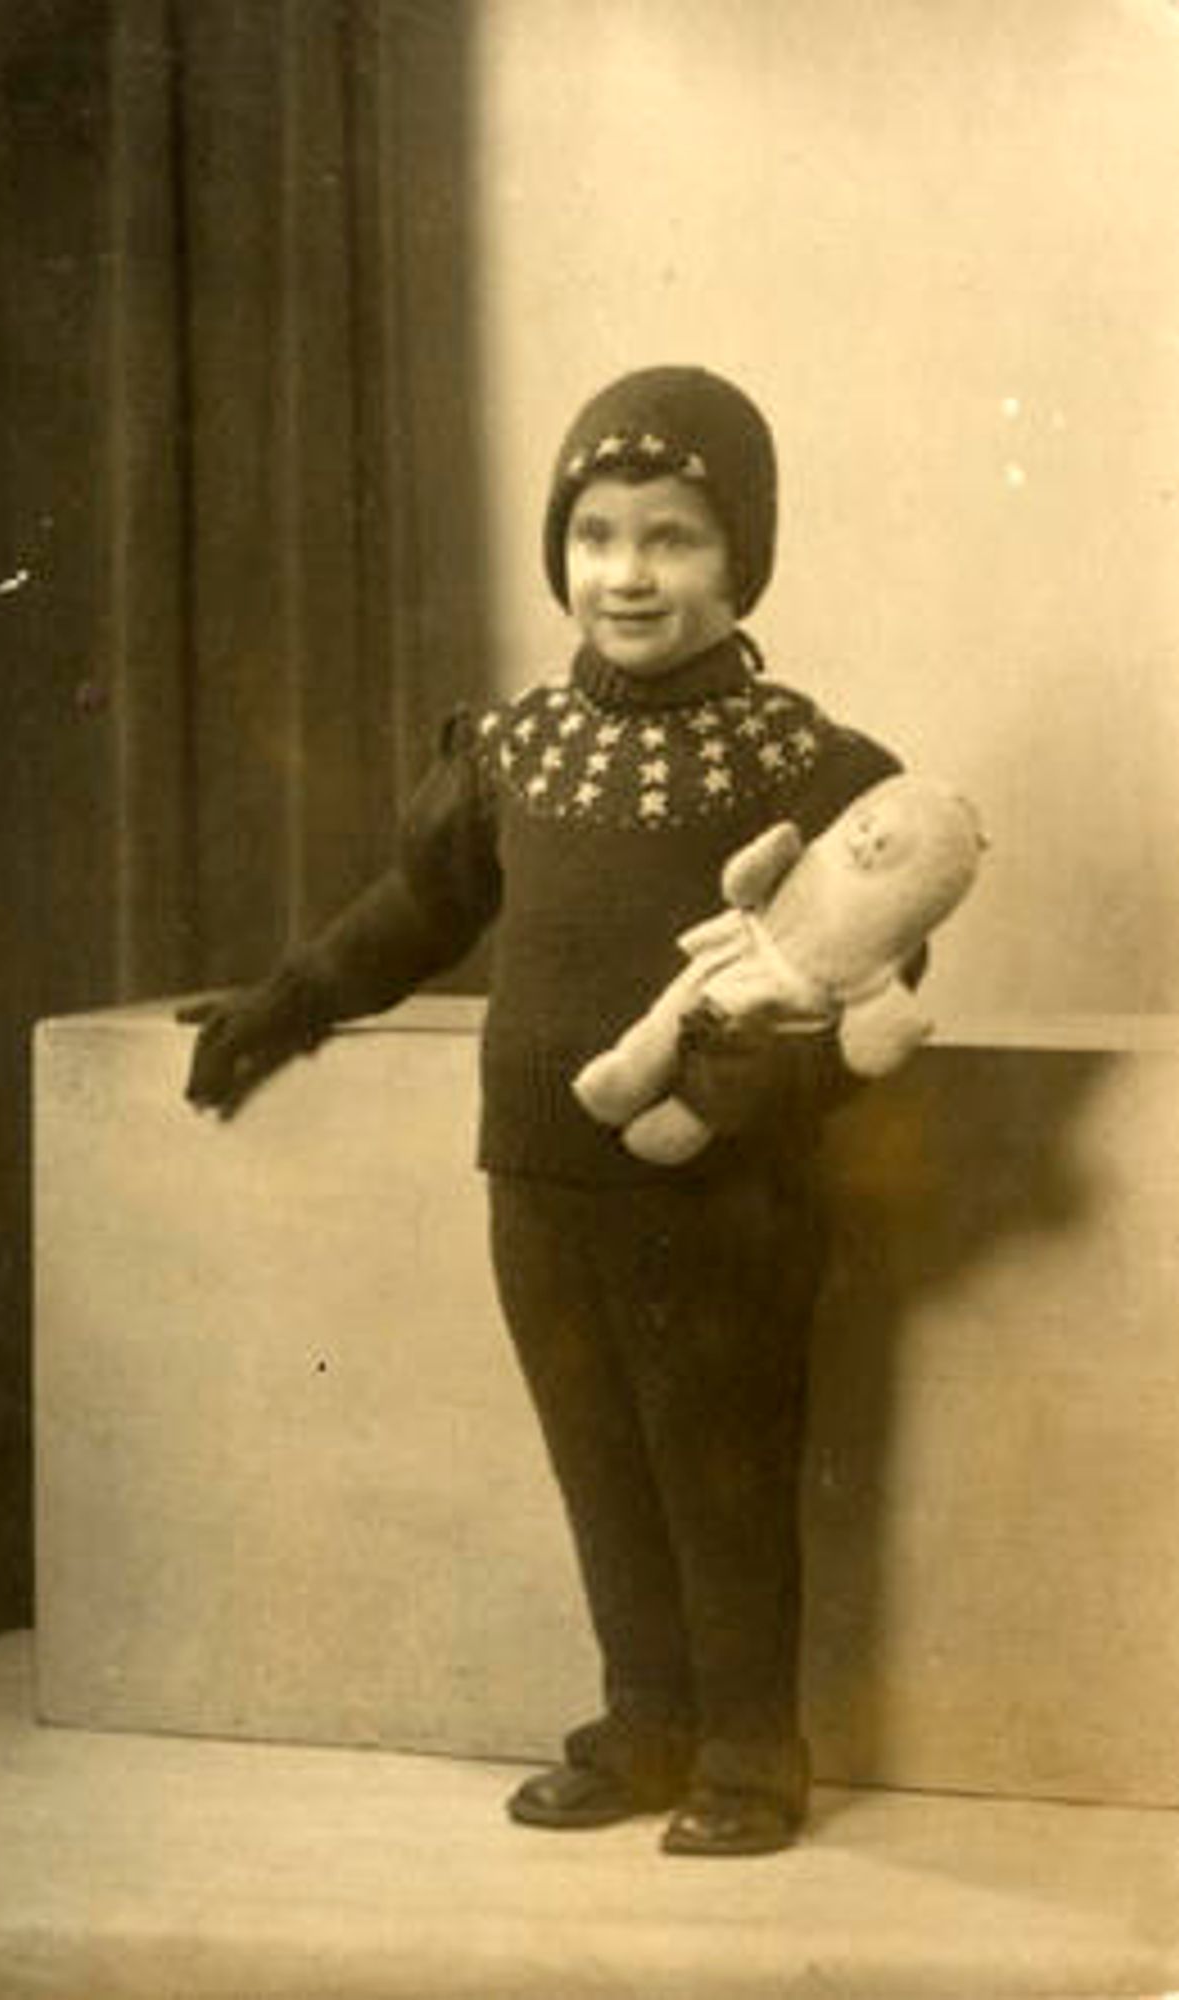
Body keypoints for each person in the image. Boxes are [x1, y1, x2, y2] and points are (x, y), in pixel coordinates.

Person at [181, 366, 915, 1855]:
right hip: (537, 1184)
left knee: (725, 1470)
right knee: (601, 1467)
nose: (627, 573)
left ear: (740, 557)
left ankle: (753, 1755)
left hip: (731, 1199)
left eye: (673, 538)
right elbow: (417, 910)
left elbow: (871, 981)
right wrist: (288, 1002)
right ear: (560, 549)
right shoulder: (511, 753)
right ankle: (646, 1726)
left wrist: (790, 1072)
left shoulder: (815, 767)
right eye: (595, 534)